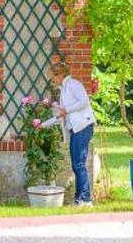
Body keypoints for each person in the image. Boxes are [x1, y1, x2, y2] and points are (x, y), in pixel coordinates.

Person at [39, 54, 94, 206]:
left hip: (83, 127)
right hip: (75, 129)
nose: (52, 80)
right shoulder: (63, 89)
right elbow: (61, 114)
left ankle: (86, 200)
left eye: (53, 77)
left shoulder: (74, 84)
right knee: (76, 164)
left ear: (60, 75)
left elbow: (84, 101)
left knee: (79, 164)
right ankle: (79, 200)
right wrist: (42, 125)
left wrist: (67, 110)